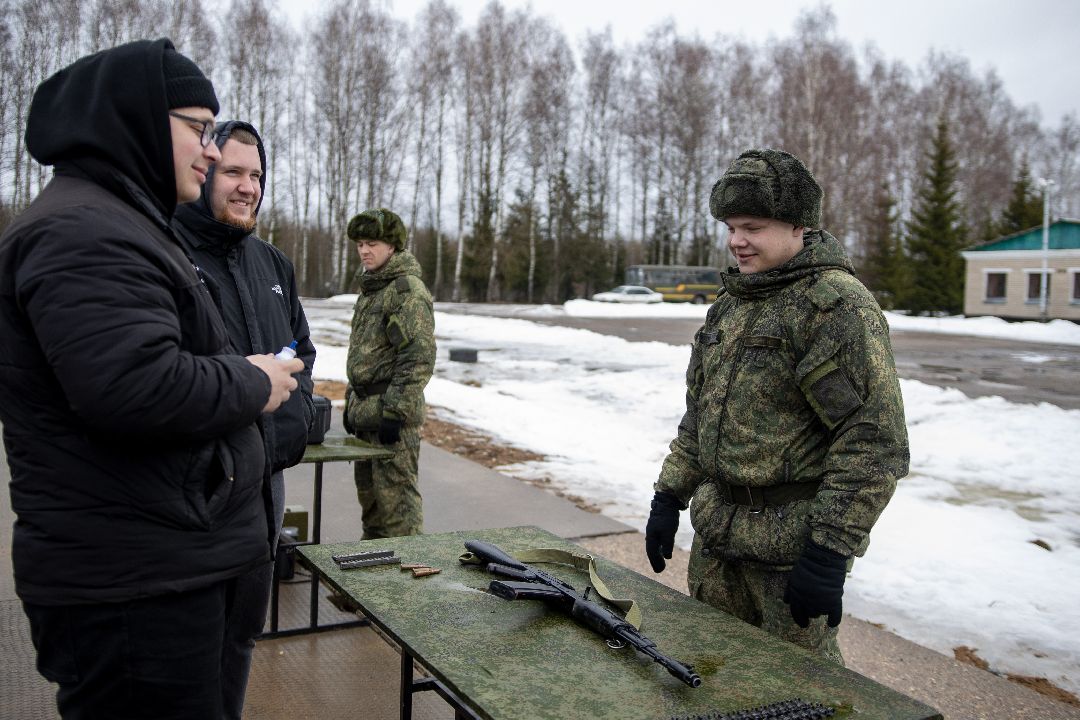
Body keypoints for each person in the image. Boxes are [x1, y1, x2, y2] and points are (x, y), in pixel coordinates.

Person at [0, 39, 304, 719]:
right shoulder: (86, 231)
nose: (207, 148)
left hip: (170, 567)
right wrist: (253, 383)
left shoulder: (122, 223)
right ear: (134, 121)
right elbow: (133, 384)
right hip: (135, 587)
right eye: (196, 128)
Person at [645, 149, 909, 664]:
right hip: (718, 541)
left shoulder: (833, 306)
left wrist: (831, 550)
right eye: (730, 227)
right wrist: (668, 496)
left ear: (797, 226)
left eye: (753, 227)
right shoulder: (732, 303)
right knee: (708, 675)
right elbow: (701, 414)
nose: (736, 241)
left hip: (790, 556)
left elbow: (872, 441)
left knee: (796, 693)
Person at [171, 119, 315, 719]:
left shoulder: (272, 263)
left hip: (266, 484)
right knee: (187, 648)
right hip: (197, 487)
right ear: (205, 174)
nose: (248, 187)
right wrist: (248, 383)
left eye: (256, 175)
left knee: (241, 635)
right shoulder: (168, 250)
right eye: (233, 171)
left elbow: (302, 351)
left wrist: (292, 397)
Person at [343, 208, 435, 539]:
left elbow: (418, 357)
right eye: (359, 244)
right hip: (368, 416)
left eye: (372, 243)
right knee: (372, 509)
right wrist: (353, 401)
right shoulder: (373, 290)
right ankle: (371, 583)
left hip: (390, 419)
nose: (364, 250)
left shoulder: (405, 290)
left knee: (398, 512)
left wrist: (394, 412)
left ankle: (410, 586)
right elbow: (368, 354)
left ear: (392, 246)